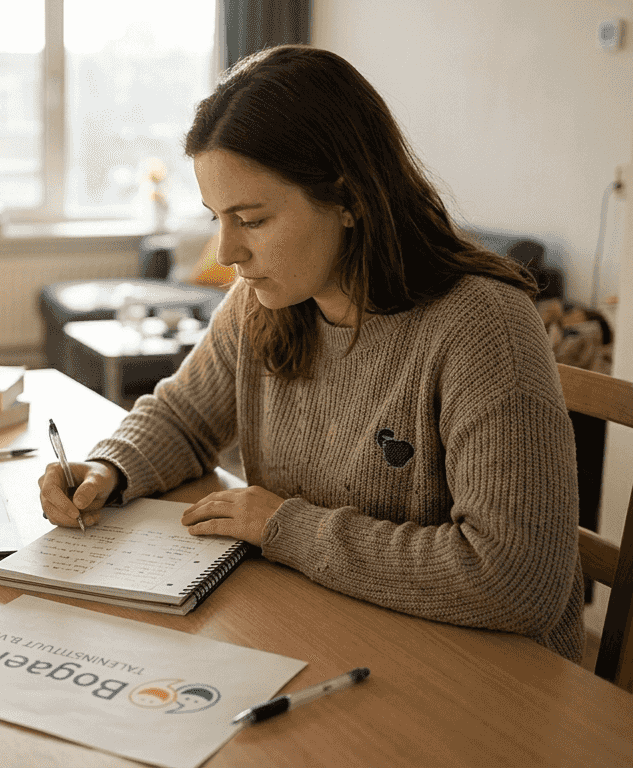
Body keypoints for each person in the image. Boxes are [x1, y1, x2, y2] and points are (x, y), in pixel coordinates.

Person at [36, 45, 583, 663]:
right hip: (332, 632)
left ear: (348, 197)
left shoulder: (483, 329)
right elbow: (184, 419)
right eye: (218, 217)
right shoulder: (261, 302)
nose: (226, 253)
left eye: (253, 219)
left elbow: (515, 580)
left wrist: (284, 528)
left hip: (483, 677)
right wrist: (111, 469)